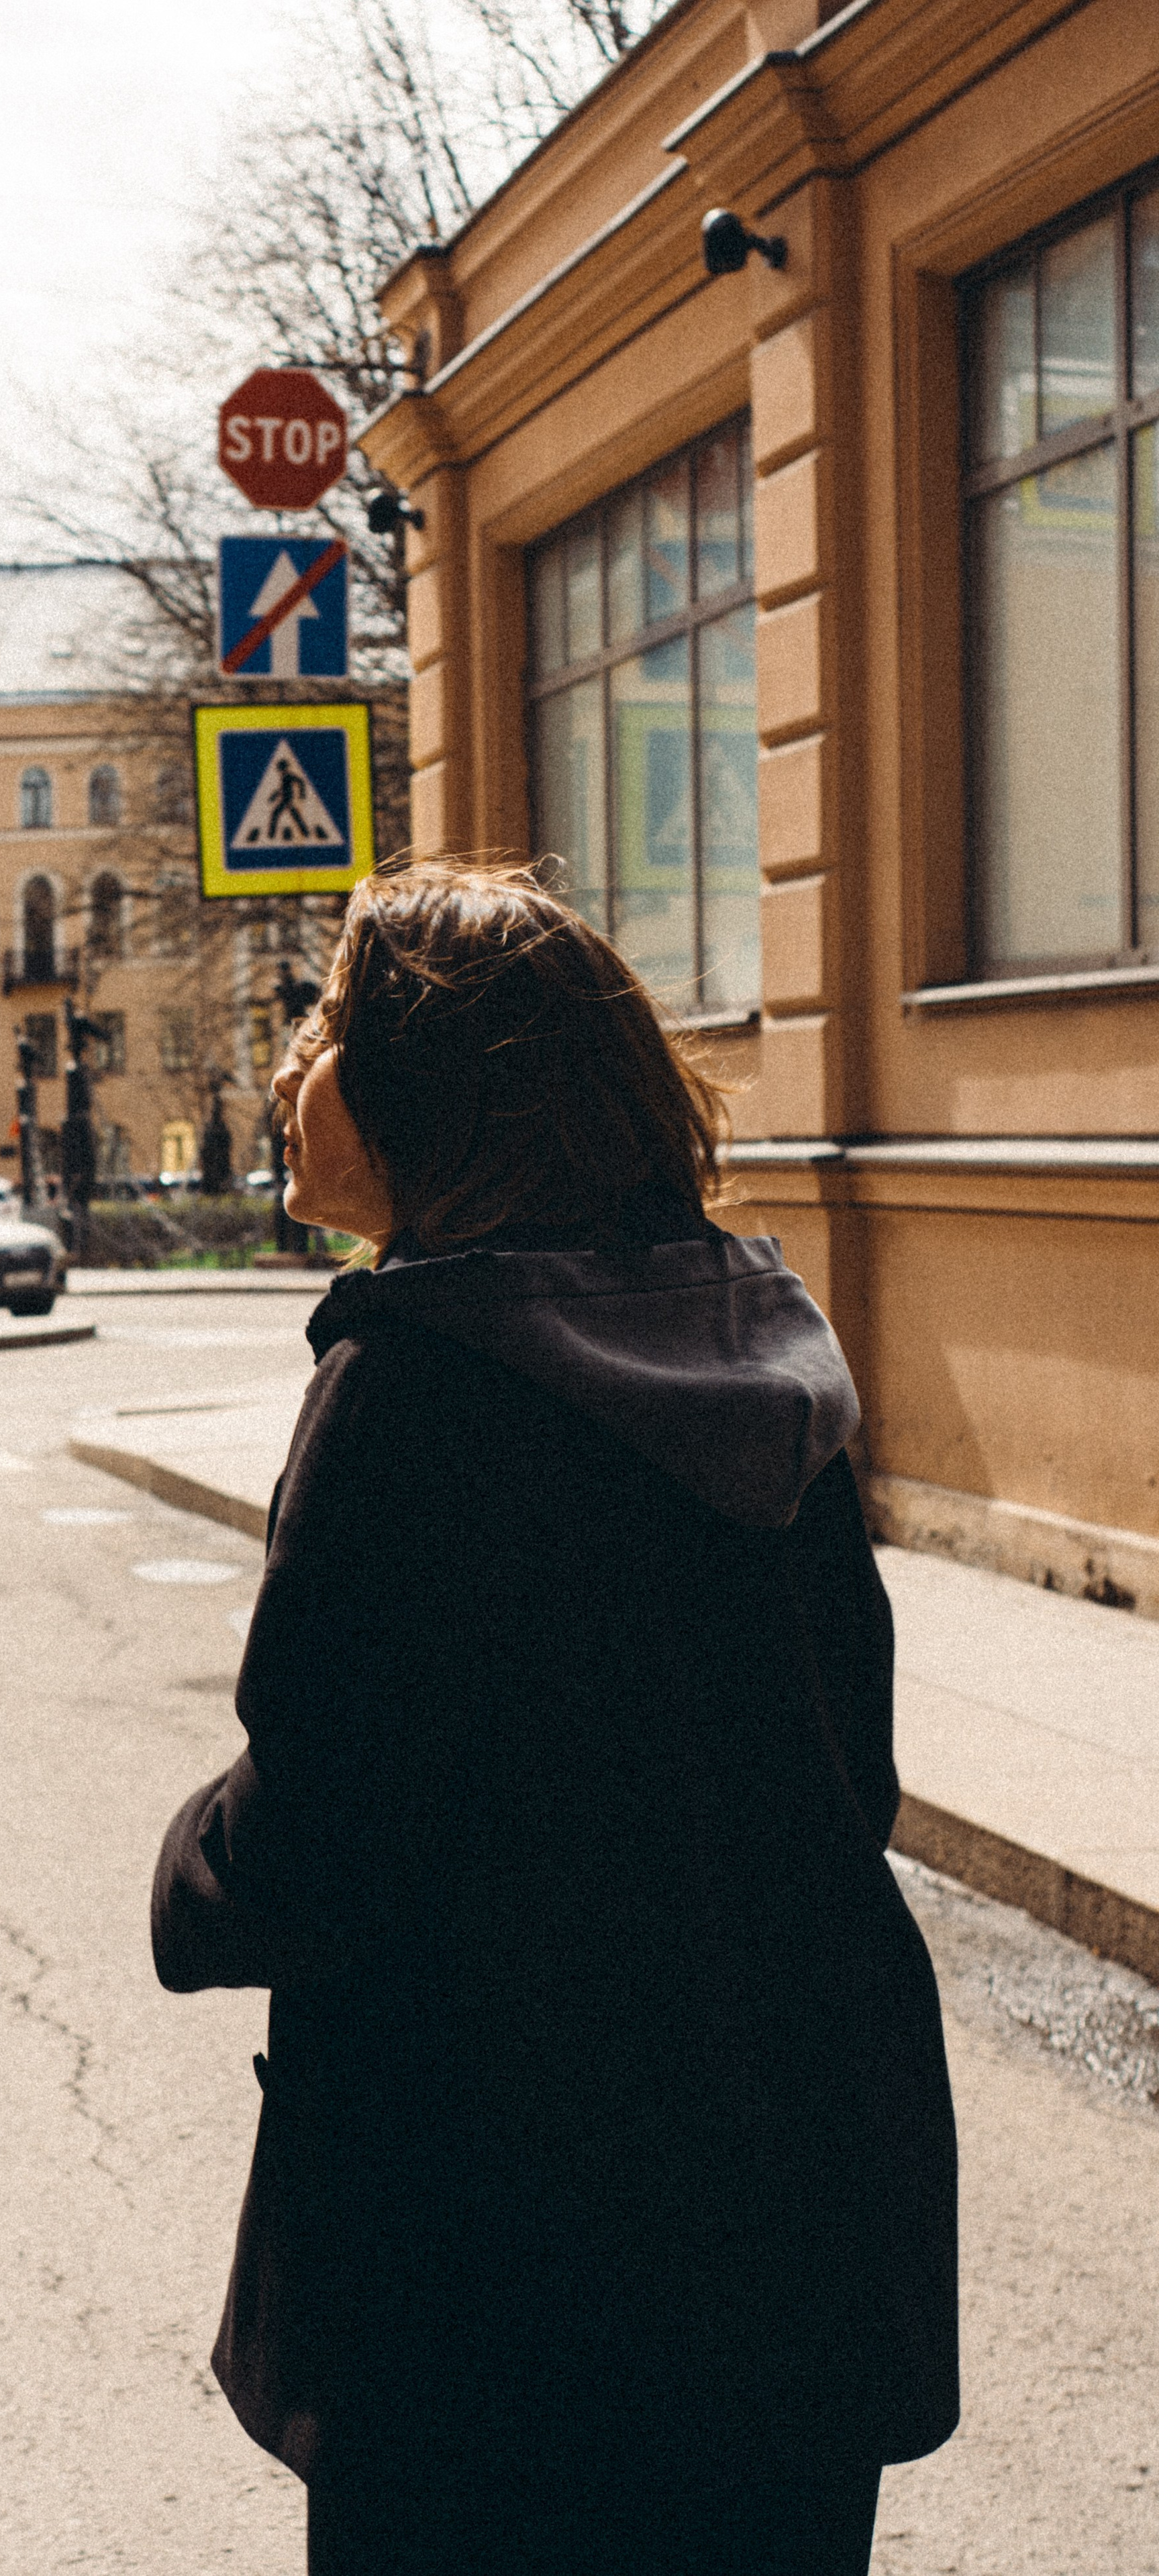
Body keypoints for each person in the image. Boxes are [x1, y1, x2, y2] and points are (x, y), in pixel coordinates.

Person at [150, 860, 958, 2575]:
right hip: (796, 2239)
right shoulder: (752, 1342)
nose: (291, 1070)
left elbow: (313, 1851)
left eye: (324, 1027)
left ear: (438, 1094)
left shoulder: (412, 1388)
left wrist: (185, 1864)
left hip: (502, 2291)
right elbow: (852, 1781)